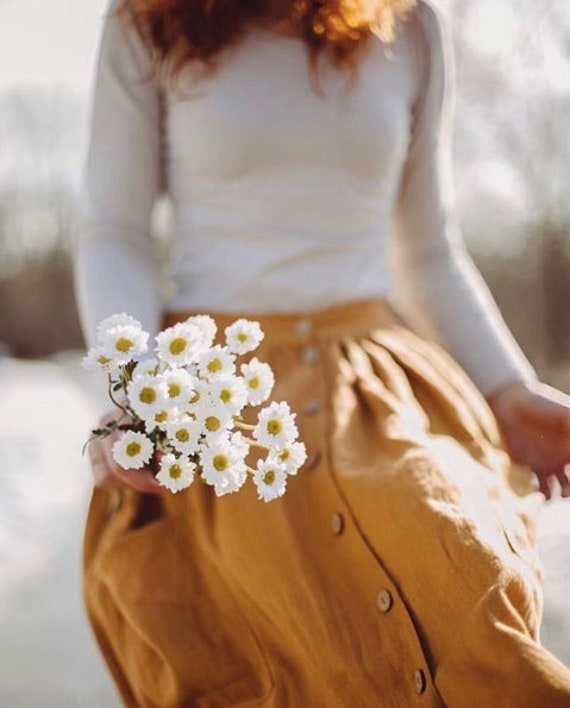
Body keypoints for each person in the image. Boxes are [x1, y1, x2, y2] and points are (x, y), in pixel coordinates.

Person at [75, 0, 570, 704]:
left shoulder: (412, 26)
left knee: (460, 568)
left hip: (382, 382)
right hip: (211, 399)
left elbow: (427, 252)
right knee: (263, 632)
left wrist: (509, 390)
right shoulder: (143, 23)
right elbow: (113, 230)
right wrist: (136, 389)